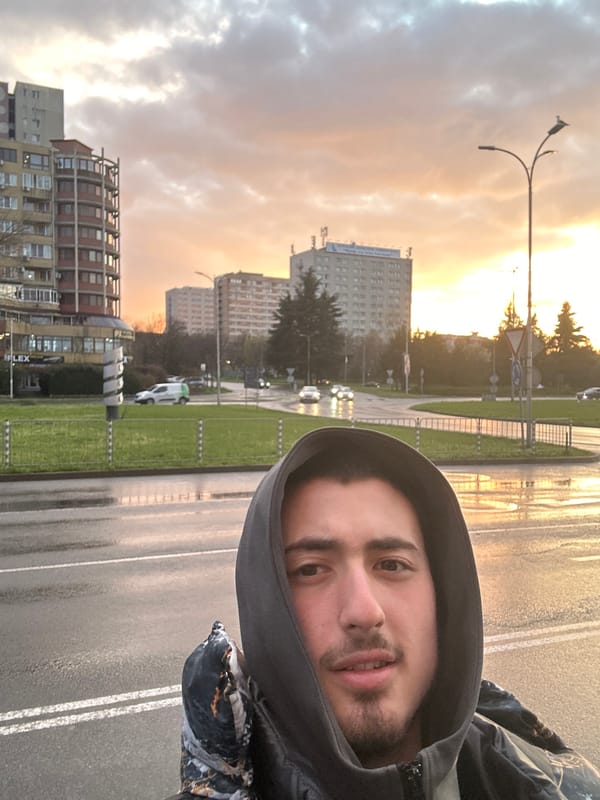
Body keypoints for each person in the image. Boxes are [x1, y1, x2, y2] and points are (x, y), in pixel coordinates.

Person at [165, 427, 600, 799]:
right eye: (311, 569)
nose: (364, 611)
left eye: (392, 564)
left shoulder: (555, 784)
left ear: (444, 596)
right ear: (264, 606)